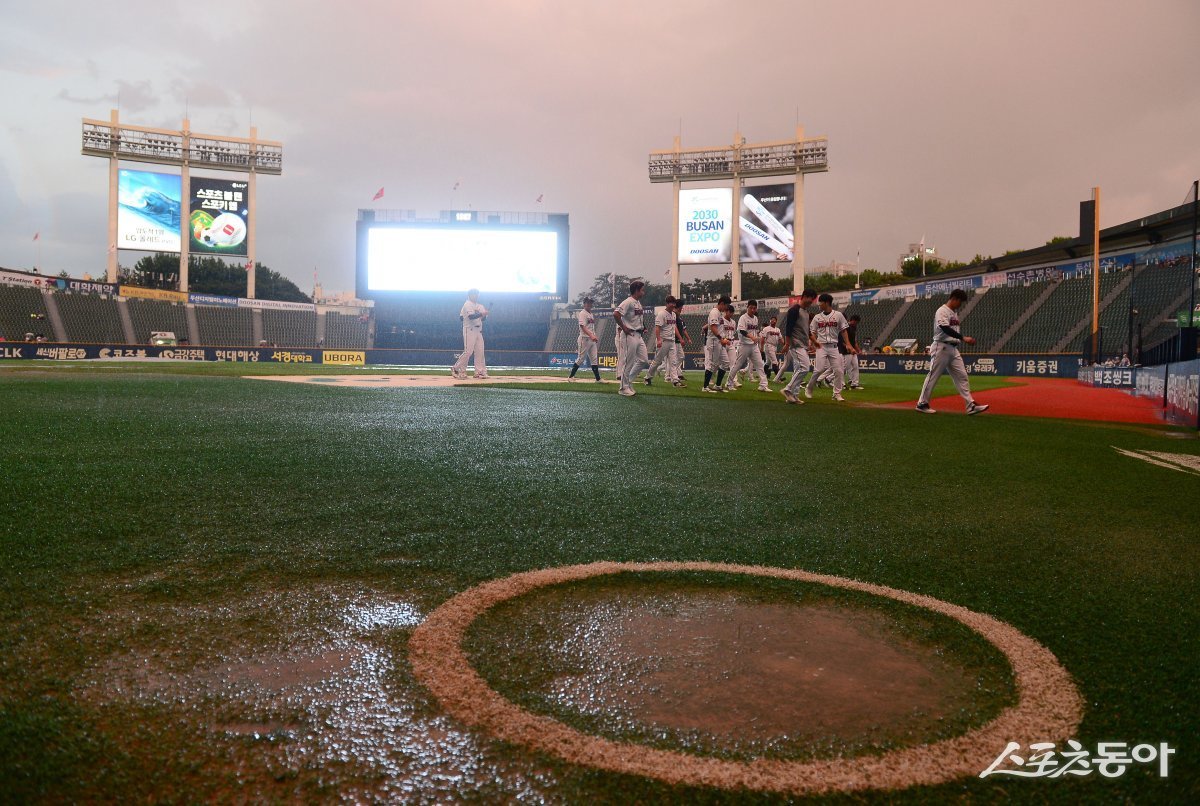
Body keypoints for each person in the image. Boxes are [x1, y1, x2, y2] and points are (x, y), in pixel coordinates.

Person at [916, 288, 989, 415]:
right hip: (941, 346)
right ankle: (922, 403)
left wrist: (960, 339)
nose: (961, 304)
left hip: (953, 349)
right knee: (933, 375)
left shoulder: (954, 312)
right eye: (960, 301)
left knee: (962, 376)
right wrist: (963, 338)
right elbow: (944, 328)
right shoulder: (942, 311)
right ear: (954, 299)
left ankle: (970, 404)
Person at [805, 294, 856, 401]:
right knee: (818, 369)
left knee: (839, 371)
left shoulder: (838, 315)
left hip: (834, 347)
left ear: (827, 302)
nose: (819, 304)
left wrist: (848, 345)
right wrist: (812, 343)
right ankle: (809, 388)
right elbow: (813, 332)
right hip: (821, 346)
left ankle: (836, 394)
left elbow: (843, 330)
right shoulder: (817, 317)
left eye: (820, 302)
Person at [780, 289, 817, 403]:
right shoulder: (794, 310)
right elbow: (788, 328)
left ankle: (793, 397)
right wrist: (787, 343)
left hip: (803, 344)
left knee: (798, 369)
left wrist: (814, 342)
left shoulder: (805, 312)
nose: (811, 302)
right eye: (811, 299)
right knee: (804, 368)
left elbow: (807, 331)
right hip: (796, 344)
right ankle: (788, 389)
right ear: (804, 296)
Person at [613, 280, 648, 397]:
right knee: (629, 361)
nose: (644, 291)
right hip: (630, 334)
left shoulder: (638, 303)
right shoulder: (628, 301)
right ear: (637, 290)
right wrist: (624, 327)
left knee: (643, 360)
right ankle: (623, 388)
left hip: (638, 334)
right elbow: (616, 313)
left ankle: (628, 382)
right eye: (642, 289)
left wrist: (643, 328)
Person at [728, 300, 771, 392]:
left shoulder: (755, 318)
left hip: (753, 345)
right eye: (750, 307)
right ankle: (729, 383)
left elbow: (754, 331)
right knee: (737, 365)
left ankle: (763, 385)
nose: (752, 310)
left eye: (754, 308)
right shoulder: (743, 318)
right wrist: (752, 337)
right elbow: (741, 331)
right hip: (744, 345)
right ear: (747, 307)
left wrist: (756, 337)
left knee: (759, 364)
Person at [645, 296, 683, 387]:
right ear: (667, 303)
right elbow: (657, 328)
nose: (673, 305)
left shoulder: (674, 314)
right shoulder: (661, 314)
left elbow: (674, 327)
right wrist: (658, 340)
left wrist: (680, 338)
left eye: (674, 303)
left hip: (672, 341)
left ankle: (675, 381)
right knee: (657, 361)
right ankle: (647, 377)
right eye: (671, 303)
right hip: (663, 340)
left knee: (673, 362)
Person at [451, 289, 489, 379]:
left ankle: (479, 372)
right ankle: (456, 368)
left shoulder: (480, 306)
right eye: (473, 294)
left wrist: (483, 315)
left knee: (480, 352)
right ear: (469, 295)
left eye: (477, 294)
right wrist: (481, 314)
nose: (475, 296)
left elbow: (483, 319)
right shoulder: (467, 304)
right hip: (469, 329)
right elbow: (470, 317)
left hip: (478, 330)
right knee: (468, 351)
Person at [567, 297, 601, 382]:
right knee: (581, 358)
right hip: (584, 339)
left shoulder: (590, 314)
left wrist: (594, 336)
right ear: (584, 304)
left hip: (591, 339)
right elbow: (583, 327)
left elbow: (590, 327)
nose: (589, 304)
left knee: (594, 359)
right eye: (587, 303)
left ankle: (598, 379)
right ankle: (570, 377)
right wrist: (591, 335)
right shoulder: (583, 313)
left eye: (590, 303)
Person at [702, 295, 732, 392]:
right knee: (712, 364)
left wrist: (723, 339)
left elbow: (719, 328)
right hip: (714, 341)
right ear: (722, 303)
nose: (727, 308)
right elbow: (713, 328)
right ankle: (705, 387)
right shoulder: (714, 312)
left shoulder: (718, 313)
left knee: (725, 362)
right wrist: (721, 339)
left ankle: (717, 385)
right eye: (726, 305)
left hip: (719, 341)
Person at [841, 314, 864, 390]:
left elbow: (854, 341)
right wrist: (847, 347)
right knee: (844, 367)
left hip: (853, 351)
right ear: (852, 320)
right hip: (847, 351)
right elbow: (842, 340)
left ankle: (854, 384)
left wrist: (858, 350)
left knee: (855, 366)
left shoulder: (854, 327)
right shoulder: (845, 327)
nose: (856, 323)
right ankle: (838, 382)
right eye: (856, 322)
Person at [721, 306, 741, 390]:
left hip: (731, 343)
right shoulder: (721, 320)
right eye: (730, 312)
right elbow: (719, 332)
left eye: (732, 312)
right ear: (726, 311)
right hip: (722, 343)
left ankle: (732, 381)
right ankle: (711, 378)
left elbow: (733, 333)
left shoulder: (733, 322)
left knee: (734, 363)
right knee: (717, 363)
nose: (731, 314)